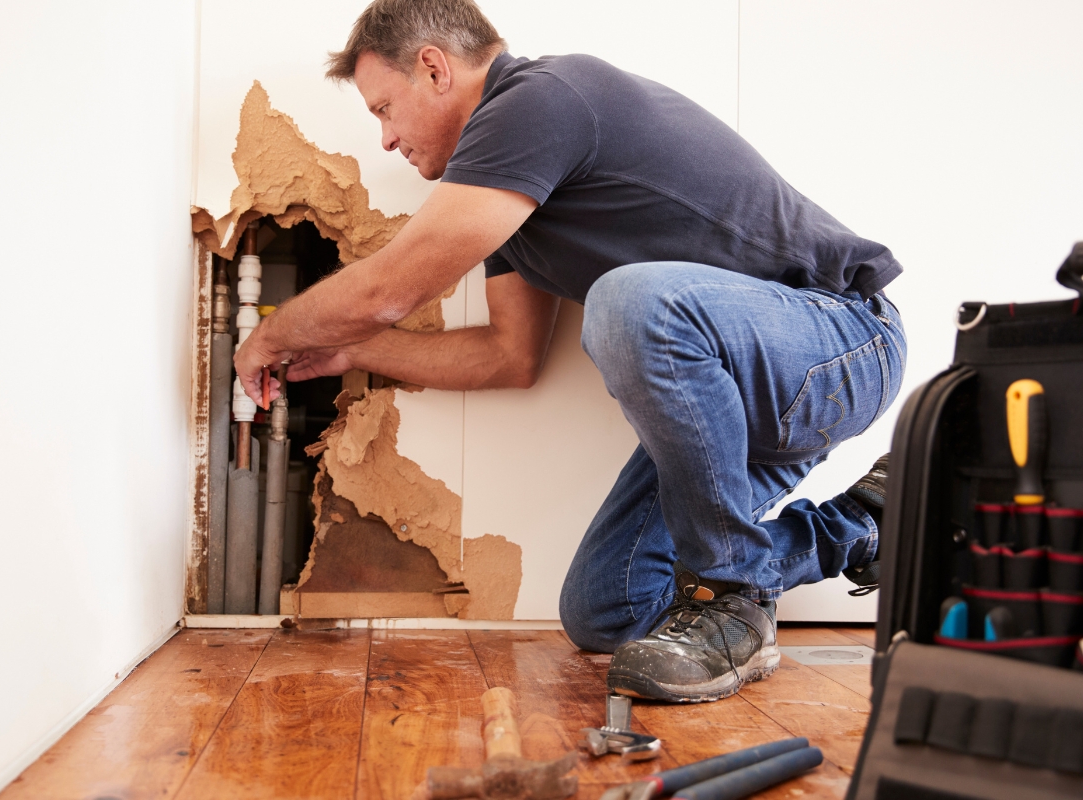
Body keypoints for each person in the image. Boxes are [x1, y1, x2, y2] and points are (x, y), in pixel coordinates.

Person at [233, 0, 905, 703]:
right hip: (733, 400)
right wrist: (354, 352)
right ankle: (861, 526)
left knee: (630, 302)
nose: (385, 140)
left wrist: (274, 335)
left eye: (383, 109)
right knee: (608, 606)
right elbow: (507, 355)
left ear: (433, 68)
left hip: (840, 342)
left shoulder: (541, 100)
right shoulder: (508, 204)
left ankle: (728, 599)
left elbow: (390, 289)